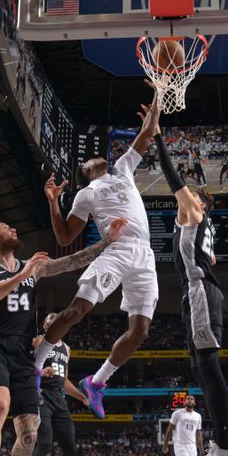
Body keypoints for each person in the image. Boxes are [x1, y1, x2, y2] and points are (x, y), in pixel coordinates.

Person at [0, 217, 127, 456]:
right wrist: (20, 276)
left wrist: (108, 240)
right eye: (5, 228)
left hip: (24, 354)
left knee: (29, 436)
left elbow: (72, 261)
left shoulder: (33, 266)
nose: (13, 229)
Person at [33, 91, 162, 420]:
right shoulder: (85, 194)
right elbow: (64, 237)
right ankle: (34, 365)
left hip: (144, 255)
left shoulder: (123, 169)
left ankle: (96, 382)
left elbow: (147, 133)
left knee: (140, 331)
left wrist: (161, 89)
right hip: (115, 250)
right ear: (86, 172)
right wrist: (53, 202)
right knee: (77, 310)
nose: (94, 158)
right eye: (89, 162)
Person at [139, 93, 228, 456]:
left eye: (192, 197)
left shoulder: (195, 214)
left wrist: (158, 136)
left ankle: (225, 444)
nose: (186, 198)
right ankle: (222, 444)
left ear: (200, 204)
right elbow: (210, 258)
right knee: (199, 365)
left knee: (207, 364)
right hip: (195, 292)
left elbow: (172, 177)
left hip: (199, 291)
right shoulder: (197, 229)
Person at [20, 313, 89, 456]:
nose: (54, 319)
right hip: (41, 396)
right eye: (50, 318)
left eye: (56, 318)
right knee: (44, 442)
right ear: (45, 325)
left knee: (70, 448)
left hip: (59, 399)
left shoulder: (66, 348)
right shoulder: (39, 341)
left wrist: (82, 396)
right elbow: (24, 367)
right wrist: (41, 372)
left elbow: (65, 381)